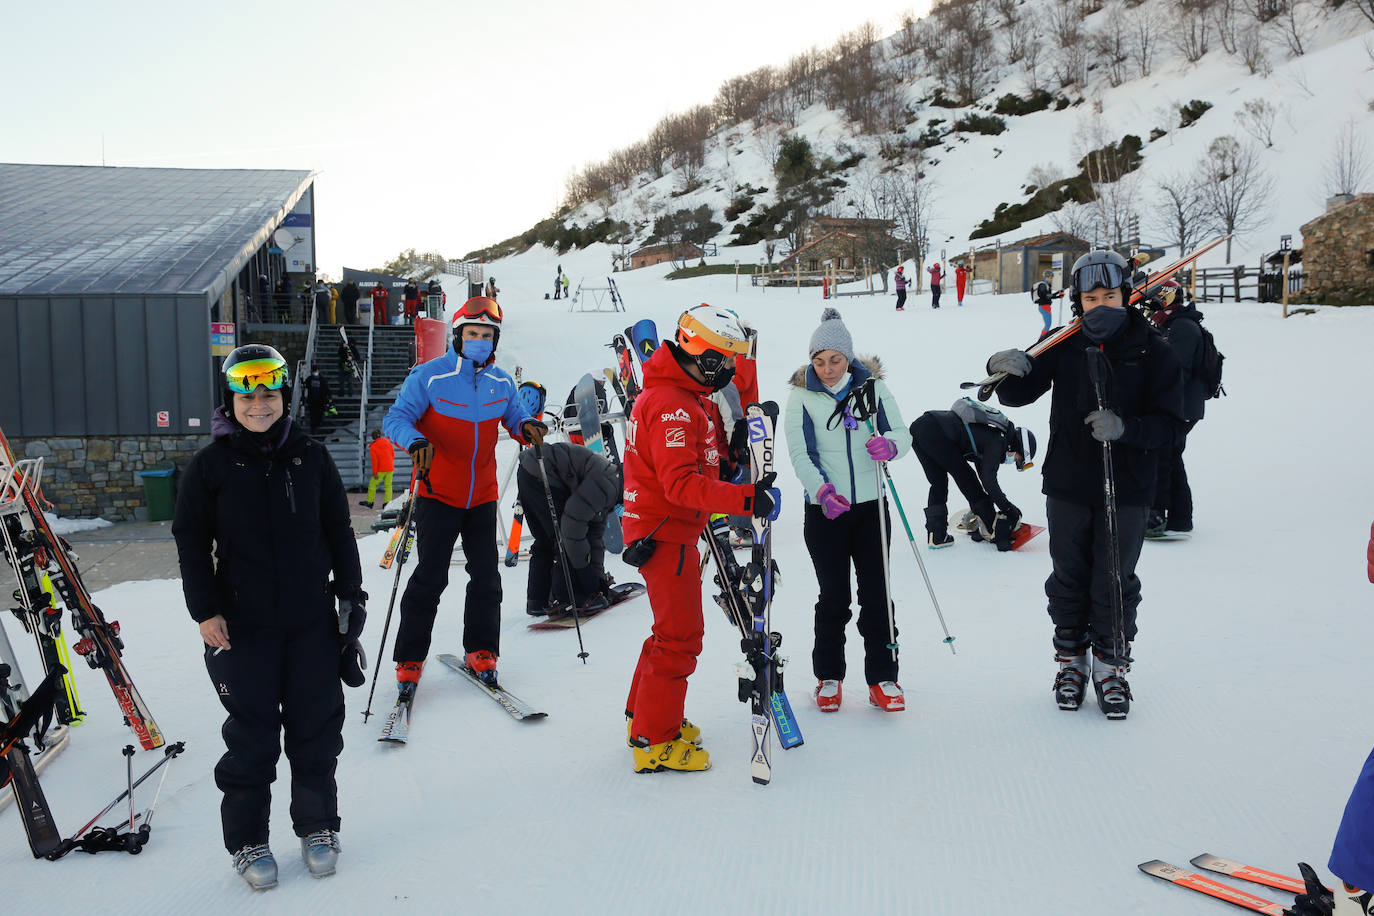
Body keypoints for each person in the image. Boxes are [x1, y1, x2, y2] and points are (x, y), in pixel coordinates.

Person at [172, 344, 364, 890]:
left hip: (310, 622)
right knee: (252, 736)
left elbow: (338, 531)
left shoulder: (311, 456)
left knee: (316, 731)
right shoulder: (211, 465)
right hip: (242, 625)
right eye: (248, 394)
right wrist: (204, 611)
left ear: (283, 395)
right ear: (230, 399)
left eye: (269, 393)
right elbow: (191, 541)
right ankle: (250, 840)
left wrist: (350, 596)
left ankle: (318, 827)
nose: (260, 404)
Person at [986, 248, 1184, 719]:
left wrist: (1126, 428)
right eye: (1090, 297)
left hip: (1129, 487)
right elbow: (1018, 391)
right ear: (1077, 300)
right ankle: (1071, 661)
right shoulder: (1065, 342)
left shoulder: (1152, 349)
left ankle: (1112, 667)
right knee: (1069, 578)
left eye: (1109, 295)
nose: (1100, 305)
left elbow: (1174, 424)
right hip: (1069, 484)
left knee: (1115, 579)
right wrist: (1003, 364)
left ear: (1127, 295)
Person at [622, 304, 776, 773]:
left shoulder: (688, 394)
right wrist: (747, 500)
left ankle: (644, 716)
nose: (729, 370)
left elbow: (699, 460)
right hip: (664, 531)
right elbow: (681, 485)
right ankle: (654, 739)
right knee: (680, 637)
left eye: (733, 360)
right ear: (698, 354)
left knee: (666, 634)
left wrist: (730, 467)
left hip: (672, 527)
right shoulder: (671, 404)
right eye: (722, 360)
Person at [382, 296, 546, 691]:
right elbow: (396, 418)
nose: (479, 340)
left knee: (487, 579)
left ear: (495, 339)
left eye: (486, 335)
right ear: (458, 336)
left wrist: (525, 426)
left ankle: (482, 651)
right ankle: (409, 659)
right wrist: (415, 441)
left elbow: (513, 416)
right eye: (472, 333)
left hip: (482, 496)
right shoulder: (430, 376)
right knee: (430, 578)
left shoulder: (501, 381)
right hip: (438, 493)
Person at [783, 307, 911, 714]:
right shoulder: (801, 396)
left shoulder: (872, 390)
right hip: (826, 513)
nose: (827, 369)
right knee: (834, 596)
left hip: (872, 508)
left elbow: (902, 433)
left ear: (849, 357)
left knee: (877, 594)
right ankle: (829, 676)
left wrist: (889, 446)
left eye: (835, 360)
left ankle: (883, 676)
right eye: (819, 361)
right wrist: (822, 491)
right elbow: (801, 453)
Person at [909, 397, 1036, 551]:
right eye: (1018, 458)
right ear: (1017, 446)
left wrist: (999, 506)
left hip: (920, 427)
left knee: (938, 483)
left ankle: (937, 536)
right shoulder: (997, 442)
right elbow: (988, 482)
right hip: (937, 431)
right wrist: (1009, 509)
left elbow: (985, 479)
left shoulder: (990, 436)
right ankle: (991, 529)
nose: (1013, 461)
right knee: (967, 480)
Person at [516, 441, 620, 614]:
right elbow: (572, 530)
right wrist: (587, 575)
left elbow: (594, 536)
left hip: (529, 469)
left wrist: (597, 580)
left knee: (545, 540)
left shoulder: (607, 484)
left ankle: (537, 599)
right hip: (542, 472)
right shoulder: (606, 486)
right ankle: (566, 597)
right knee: (563, 540)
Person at [1142, 279, 1204, 537]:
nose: (1150, 308)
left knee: (1162, 457)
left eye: (1154, 301)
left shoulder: (1183, 327)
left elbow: (1175, 368)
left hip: (1181, 406)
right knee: (1171, 457)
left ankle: (1158, 515)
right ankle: (1180, 517)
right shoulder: (1170, 324)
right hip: (1177, 403)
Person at [361, 429, 396, 509]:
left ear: (373, 437)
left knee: (372, 485)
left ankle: (370, 502)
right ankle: (387, 503)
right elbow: (392, 454)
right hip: (390, 468)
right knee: (388, 486)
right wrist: (389, 463)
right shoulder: (387, 442)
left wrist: (375, 472)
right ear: (380, 435)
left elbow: (375, 461)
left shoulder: (373, 446)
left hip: (380, 469)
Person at [304, 365, 332, 434]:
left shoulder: (310, 379)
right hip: (316, 400)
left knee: (316, 414)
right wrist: (329, 396)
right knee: (315, 414)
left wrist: (329, 396)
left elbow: (326, 388)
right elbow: (326, 388)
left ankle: (315, 427)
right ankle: (315, 427)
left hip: (317, 400)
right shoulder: (320, 379)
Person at [1032, 270, 1061, 334]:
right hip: (1044, 306)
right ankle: (1042, 339)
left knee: (1048, 324)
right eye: (1051, 278)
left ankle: (1043, 338)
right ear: (1046, 277)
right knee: (1048, 324)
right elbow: (1046, 296)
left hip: (1044, 306)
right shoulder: (1043, 285)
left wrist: (1058, 294)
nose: (1051, 279)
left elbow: (1048, 296)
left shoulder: (1046, 285)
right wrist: (1057, 296)